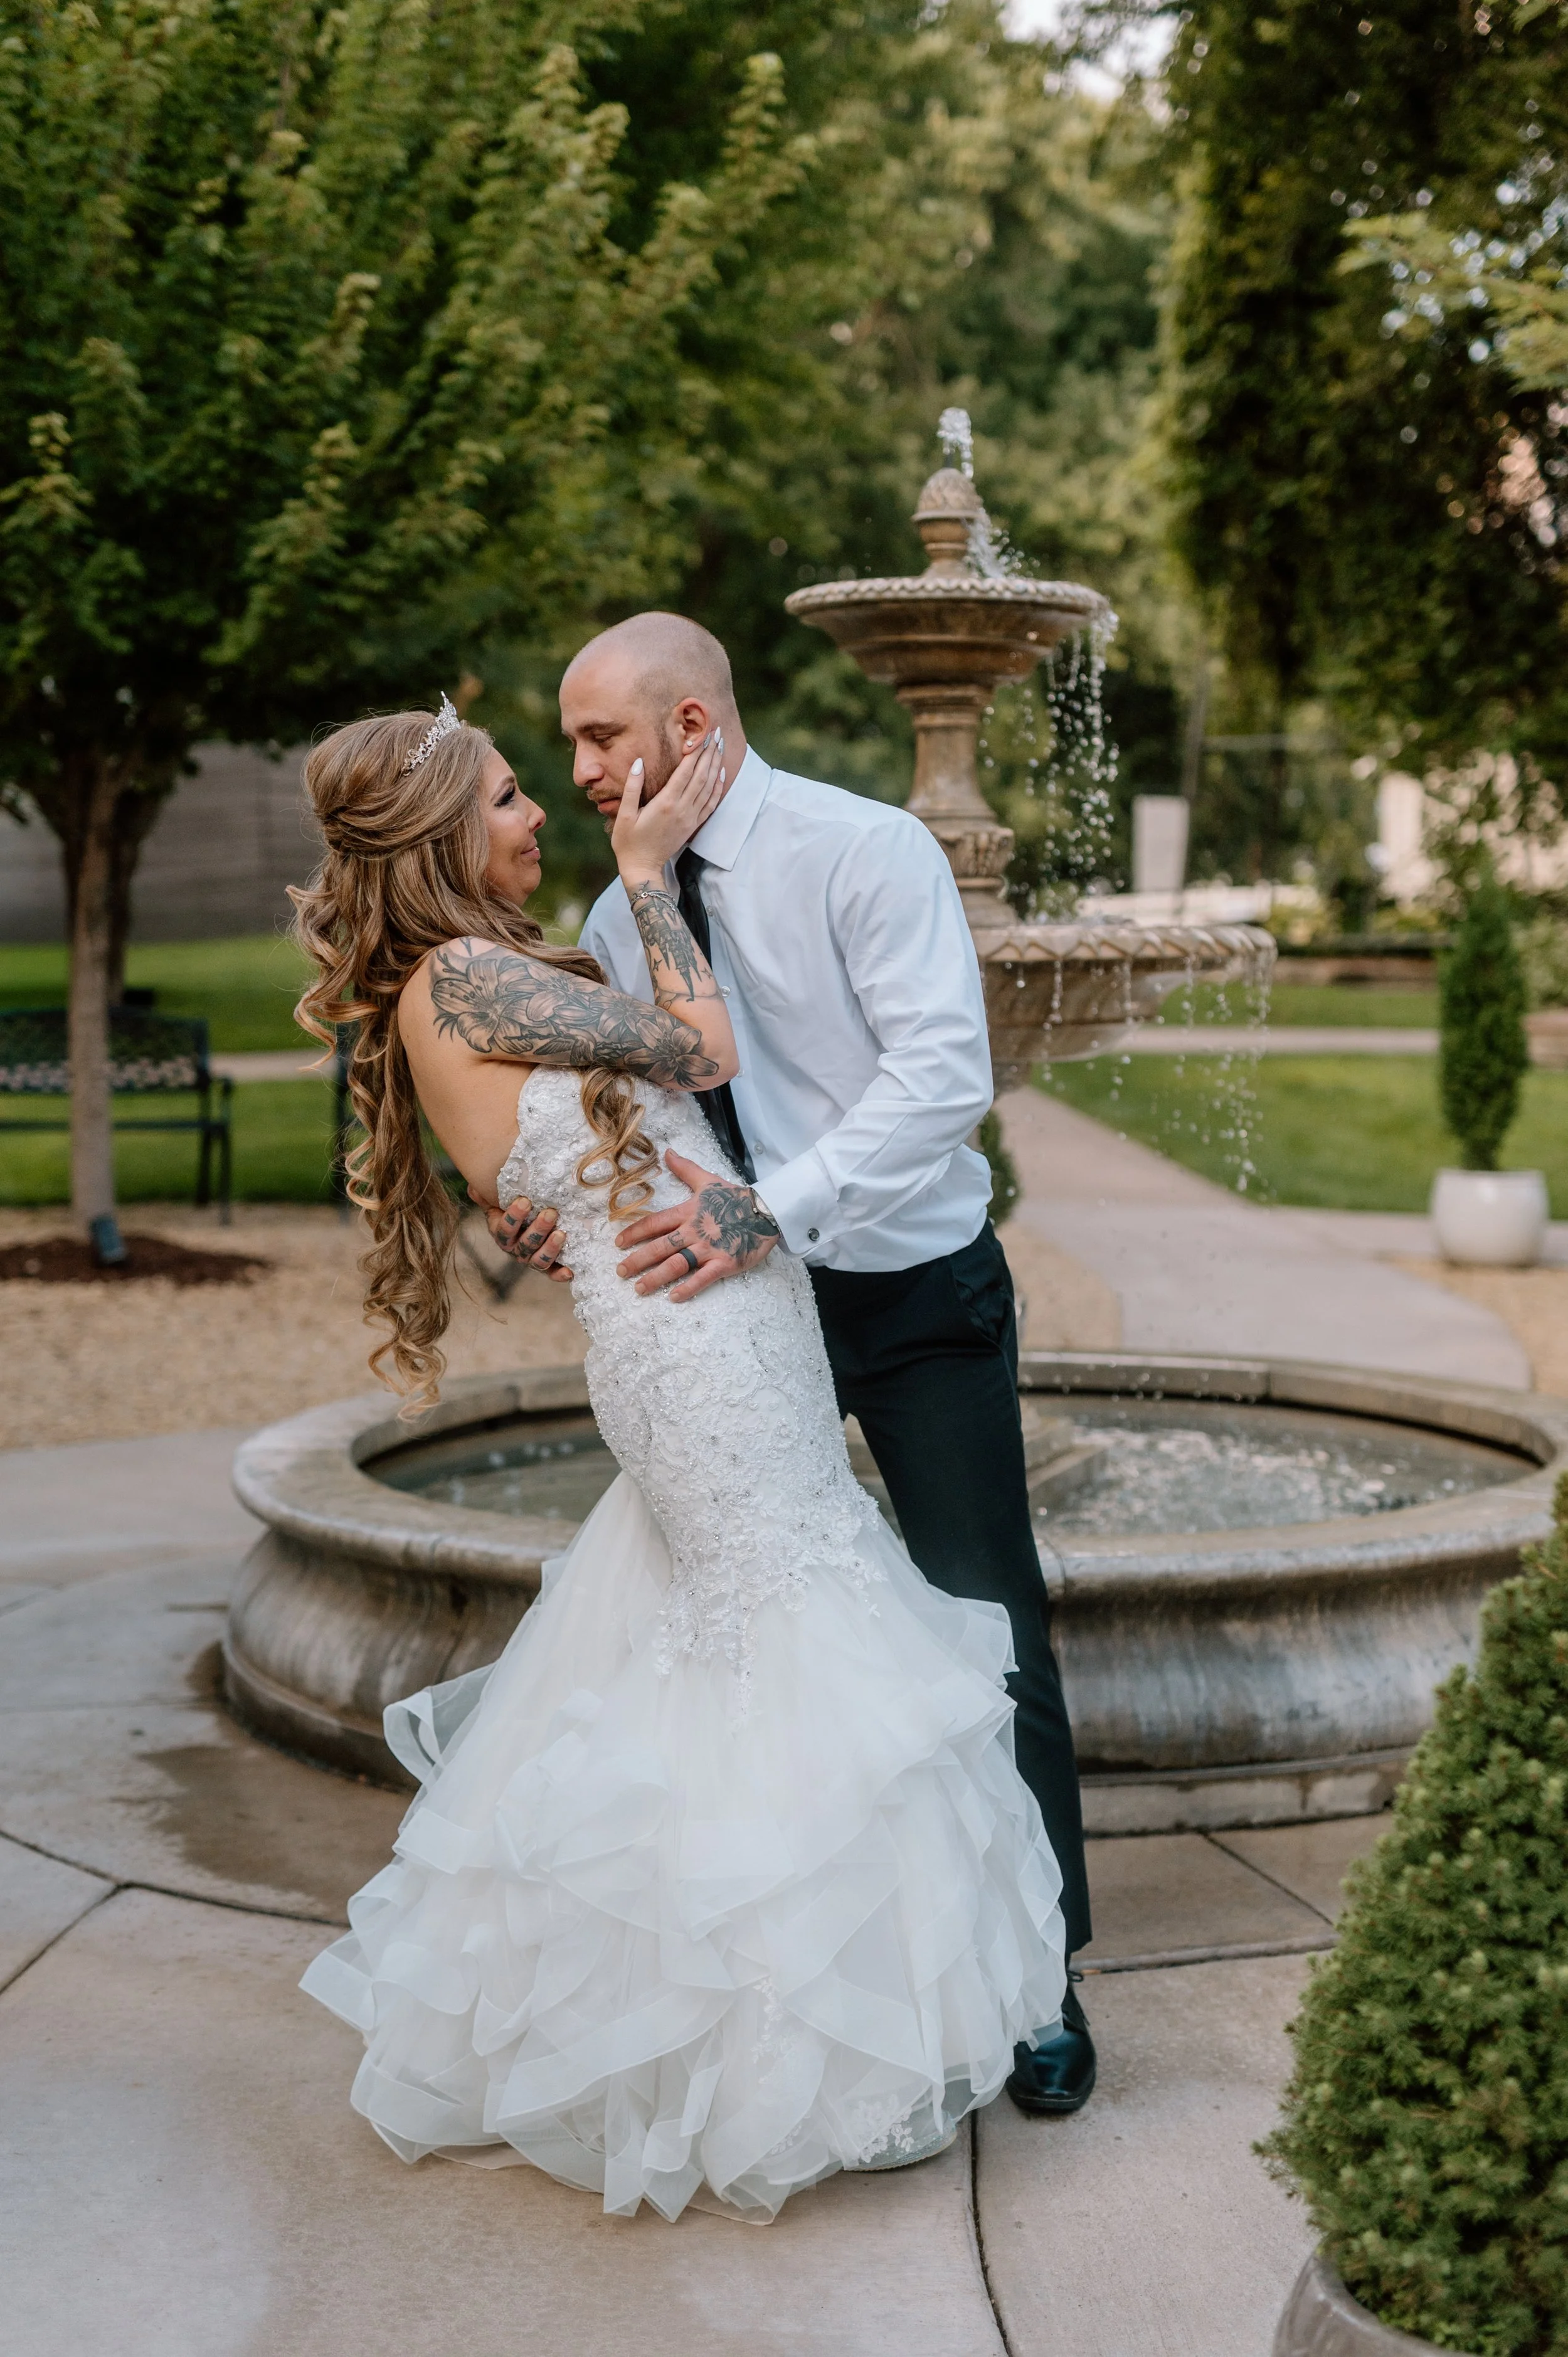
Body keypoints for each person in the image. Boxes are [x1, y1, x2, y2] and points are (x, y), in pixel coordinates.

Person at [294, 693, 1067, 2222]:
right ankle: (790, 2039)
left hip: (722, 1320)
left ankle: (827, 2003)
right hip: (698, 1340)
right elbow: (700, 1045)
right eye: (513, 794)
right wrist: (647, 867)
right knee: (788, 1628)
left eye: (556, 779)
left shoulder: (481, 974)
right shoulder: (472, 972)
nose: (546, 809)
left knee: (745, 1633)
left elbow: (567, 1149)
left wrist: (554, 1193)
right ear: (445, 833)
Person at [491, 613, 1096, 2120]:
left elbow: (941, 1078)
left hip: (909, 1296)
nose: (577, 770)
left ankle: (1042, 1980)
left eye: (598, 738)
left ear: (689, 730)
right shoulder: (623, 912)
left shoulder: (863, 847)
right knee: (779, 1632)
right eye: (566, 746)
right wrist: (557, 1201)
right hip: (725, 1319)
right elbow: (644, 1104)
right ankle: (833, 1973)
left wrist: (779, 1210)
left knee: (977, 1618)